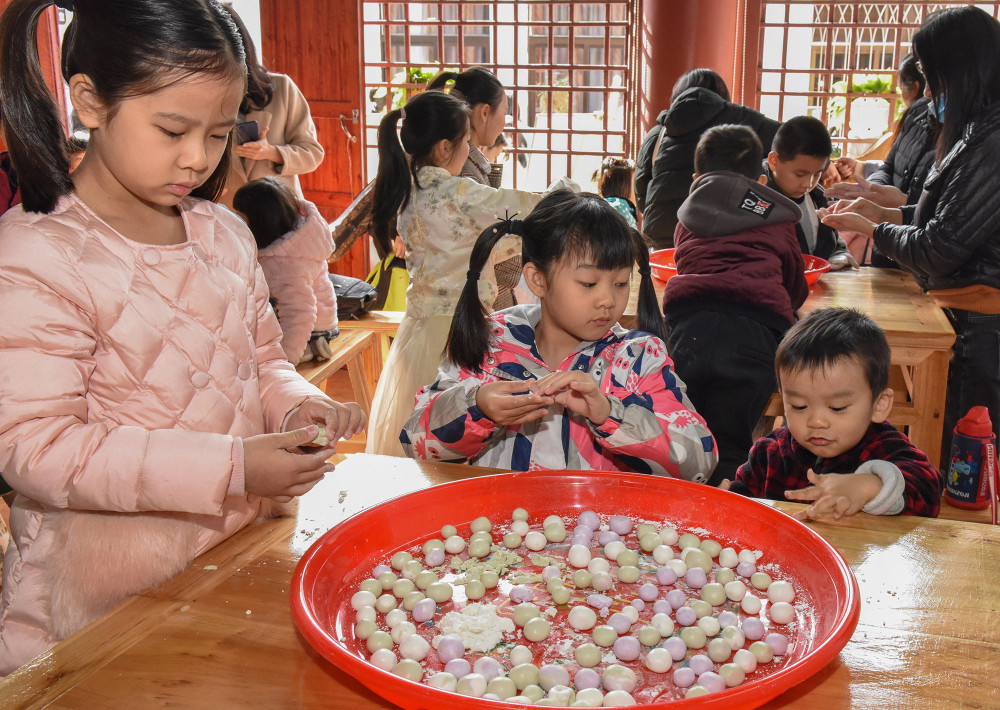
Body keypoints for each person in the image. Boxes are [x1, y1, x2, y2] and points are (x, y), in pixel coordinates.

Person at [0, 0, 365, 674]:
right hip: (93, 608)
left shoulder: (223, 232)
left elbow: (260, 360)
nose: (197, 158)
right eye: (171, 129)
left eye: (220, 133)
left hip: (226, 557)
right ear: (90, 101)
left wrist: (293, 405)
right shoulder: (36, 254)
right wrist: (231, 467)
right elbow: (39, 450)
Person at [400, 191, 717, 479]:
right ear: (537, 280)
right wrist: (476, 407)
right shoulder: (493, 343)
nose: (608, 299)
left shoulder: (636, 359)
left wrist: (610, 413)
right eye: (589, 284)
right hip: (506, 529)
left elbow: (699, 461)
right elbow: (416, 442)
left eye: (620, 283)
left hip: (603, 533)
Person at [820, 6, 1000, 467]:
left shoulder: (992, 140)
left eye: (929, 71)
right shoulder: (974, 130)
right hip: (959, 309)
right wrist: (879, 208)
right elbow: (941, 215)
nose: (926, 84)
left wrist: (873, 227)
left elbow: (940, 247)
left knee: (962, 458)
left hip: (981, 323)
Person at [365, 89, 574, 457]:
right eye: (465, 142)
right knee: (464, 429)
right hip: (462, 331)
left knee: (420, 433)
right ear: (445, 147)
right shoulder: (457, 192)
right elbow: (529, 211)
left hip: (417, 332)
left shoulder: (406, 193)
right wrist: (568, 190)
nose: (469, 151)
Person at [664, 125, 809, 485]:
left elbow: (685, 263)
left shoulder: (688, 216)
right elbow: (794, 284)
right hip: (754, 335)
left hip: (690, 331)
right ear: (761, 179)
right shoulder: (777, 218)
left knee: (688, 436)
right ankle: (729, 522)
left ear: (697, 178)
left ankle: (676, 516)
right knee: (733, 445)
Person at [729, 308, 944, 520]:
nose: (816, 422)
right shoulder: (770, 454)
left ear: (878, 405)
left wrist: (869, 485)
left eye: (837, 408)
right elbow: (742, 500)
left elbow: (930, 491)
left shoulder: (885, 448)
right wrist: (728, 499)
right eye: (799, 406)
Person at [634, 68, 780, 249]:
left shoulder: (658, 134)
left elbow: (641, 194)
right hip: (723, 239)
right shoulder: (742, 127)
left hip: (664, 239)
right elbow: (790, 139)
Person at [426, 68, 523, 309]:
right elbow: (491, 252)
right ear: (484, 112)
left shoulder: (455, 163)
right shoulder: (464, 172)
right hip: (474, 306)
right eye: (505, 113)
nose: (504, 123)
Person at [218, 4, 324, 209]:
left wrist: (271, 152)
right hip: (227, 217)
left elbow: (312, 154)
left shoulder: (282, 88)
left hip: (278, 215)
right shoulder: (202, 99)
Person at [233, 177, 339, 364]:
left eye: (242, 217)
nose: (237, 222)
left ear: (260, 222)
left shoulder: (286, 264)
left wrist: (286, 359)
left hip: (313, 328)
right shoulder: (293, 236)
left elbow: (299, 314)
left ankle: (310, 347)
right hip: (318, 318)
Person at [832, 52, 937, 209]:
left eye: (900, 87)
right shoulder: (916, 114)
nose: (927, 92)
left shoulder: (960, 135)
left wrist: (898, 205)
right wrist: (870, 192)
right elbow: (890, 167)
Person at [764, 116, 854, 269]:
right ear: (774, 161)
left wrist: (840, 256)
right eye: (800, 174)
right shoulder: (757, 202)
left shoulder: (817, 196)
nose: (809, 183)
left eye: (817, 174)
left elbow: (833, 242)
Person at [593, 156, 638, 229]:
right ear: (622, 185)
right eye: (636, 183)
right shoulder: (620, 207)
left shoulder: (604, 205)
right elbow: (633, 239)